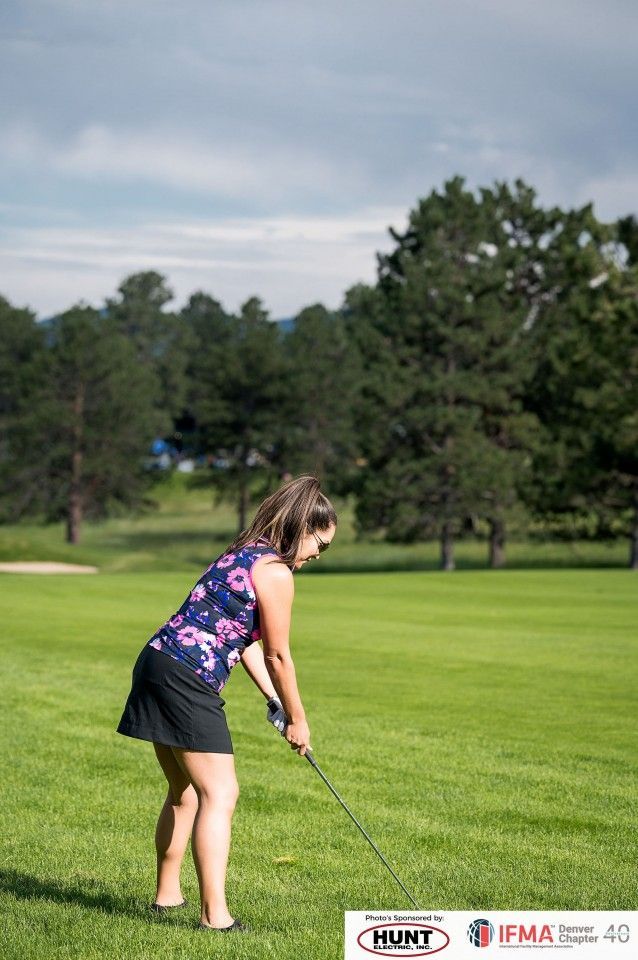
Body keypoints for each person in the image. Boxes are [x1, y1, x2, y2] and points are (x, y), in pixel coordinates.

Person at [115, 474, 337, 933]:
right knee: (221, 794)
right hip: (187, 679)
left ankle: (167, 897)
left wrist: (273, 700)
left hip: (156, 662)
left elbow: (243, 640)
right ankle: (215, 917)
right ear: (301, 527)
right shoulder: (275, 571)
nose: (318, 554)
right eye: (321, 543)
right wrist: (298, 719)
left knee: (185, 794)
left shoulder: (243, 552)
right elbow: (278, 653)